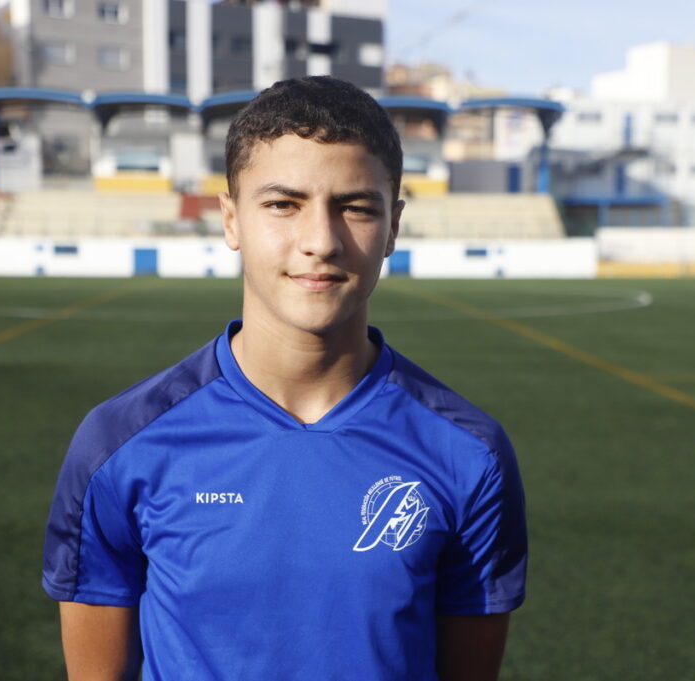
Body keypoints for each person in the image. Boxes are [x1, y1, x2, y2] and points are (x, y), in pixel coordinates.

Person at [42, 76, 527, 681]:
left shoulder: (469, 454)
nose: (320, 241)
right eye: (282, 204)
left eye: (355, 207)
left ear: (394, 225)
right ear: (230, 219)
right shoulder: (118, 446)